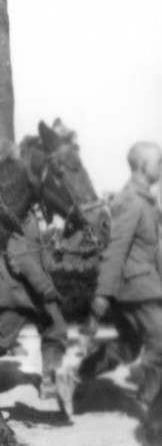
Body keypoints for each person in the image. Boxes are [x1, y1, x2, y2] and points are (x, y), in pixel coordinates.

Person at [78, 141, 162, 410]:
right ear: (141, 165)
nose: (161, 167)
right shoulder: (131, 201)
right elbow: (115, 251)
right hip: (135, 288)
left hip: (146, 285)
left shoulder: (145, 200)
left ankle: (75, 376)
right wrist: (102, 296)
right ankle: (152, 407)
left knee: (129, 346)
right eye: (158, 161)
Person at [0, 210, 68, 400]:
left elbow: (35, 255)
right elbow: (20, 257)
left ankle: (49, 382)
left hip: (27, 291)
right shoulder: (17, 211)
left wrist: (54, 254)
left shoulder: (30, 213)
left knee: (56, 328)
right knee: (0, 343)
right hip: (16, 292)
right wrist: (47, 288)